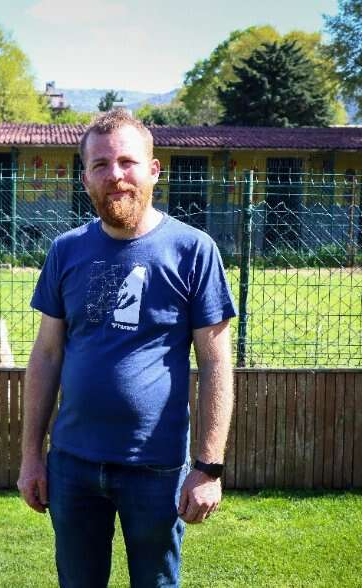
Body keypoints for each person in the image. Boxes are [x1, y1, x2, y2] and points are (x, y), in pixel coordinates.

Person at [17, 109, 236, 587]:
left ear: (153, 170)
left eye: (127, 162)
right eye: (100, 165)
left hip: (155, 468)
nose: (115, 175)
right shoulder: (66, 250)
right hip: (72, 465)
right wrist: (32, 455)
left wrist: (208, 467)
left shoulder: (193, 250)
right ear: (85, 179)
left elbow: (216, 363)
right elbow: (47, 355)